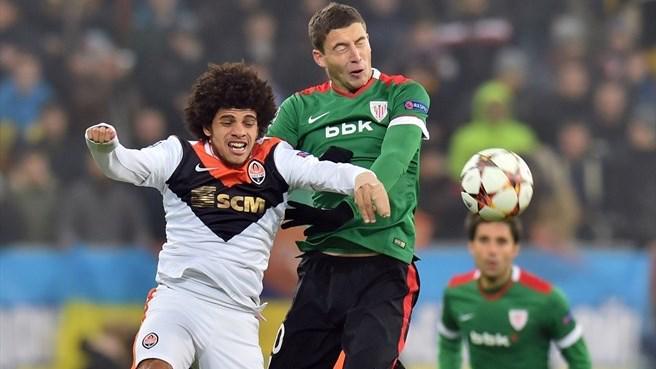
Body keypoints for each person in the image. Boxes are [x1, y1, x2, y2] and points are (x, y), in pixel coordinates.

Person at [85, 62, 390, 369]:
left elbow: (322, 171)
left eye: (248, 122)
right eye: (227, 121)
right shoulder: (179, 156)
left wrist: (360, 178)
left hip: (236, 316)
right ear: (208, 126)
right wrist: (106, 148)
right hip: (179, 301)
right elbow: (122, 164)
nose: (239, 132)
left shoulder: (276, 160)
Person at [266, 3, 430, 368]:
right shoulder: (298, 108)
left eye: (361, 42)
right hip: (320, 269)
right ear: (319, 57)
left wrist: (364, 191)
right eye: (342, 48)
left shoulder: (402, 93)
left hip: (384, 268)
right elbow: (268, 167)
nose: (356, 55)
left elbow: (397, 154)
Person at [437, 214, 592, 369]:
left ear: (515, 248)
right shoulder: (456, 292)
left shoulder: (547, 298)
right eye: (484, 240)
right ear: (471, 245)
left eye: (501, 241)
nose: (492, 251)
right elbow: (448, 342)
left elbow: (580, 360)